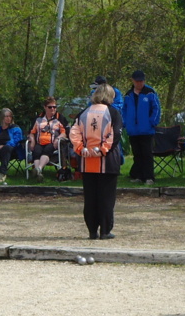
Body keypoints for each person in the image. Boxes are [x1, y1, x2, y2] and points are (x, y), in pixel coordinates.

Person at [70, 82, 123, 240]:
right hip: (107, 163)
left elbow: (74, 133)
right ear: (110, 96)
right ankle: (105, 231)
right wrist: (101, 150)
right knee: (106, 197)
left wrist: (81, 149)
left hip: (87, 162)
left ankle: (92, 230)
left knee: (91, 197)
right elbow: (115, 135)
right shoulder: (113, 113)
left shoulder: (83, 113)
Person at [121, 70, 161, 185]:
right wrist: (125, 122)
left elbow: (156, 108)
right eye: (137, 81)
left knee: (147, 154)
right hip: (133, 130)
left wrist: (152, 122)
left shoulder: (150, 92)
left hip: (146, 129)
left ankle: (149, 177)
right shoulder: (128, 95)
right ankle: (138, 175)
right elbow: (124, 110)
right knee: (137, 154)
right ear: (133, 81)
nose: (140, 83)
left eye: (142, 81)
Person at [27, 97, 69, 181]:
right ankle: (39, 172)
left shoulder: (59, 118)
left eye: (54, 107)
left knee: (47, 150)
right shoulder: (38, 119)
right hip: (39, 142)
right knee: (36, 151)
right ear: (45, 107)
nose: (53, 109)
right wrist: (32, 140)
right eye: (50, 107)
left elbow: (64, 132)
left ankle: (38, 169)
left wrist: (58, 139)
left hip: (52, 142)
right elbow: (31, 132)